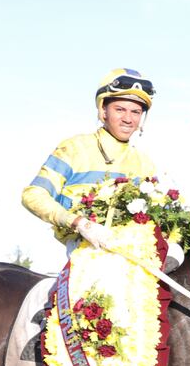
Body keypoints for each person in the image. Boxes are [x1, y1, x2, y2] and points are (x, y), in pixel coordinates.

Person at [21, 68, 179, 269]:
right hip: (85, 249)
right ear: (103, 111)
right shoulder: (73, 148)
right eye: (120, 109)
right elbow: (33, 195)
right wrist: (79, 223)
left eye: (136, 112)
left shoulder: (144, 163)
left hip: (133, 253)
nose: (128, 119)